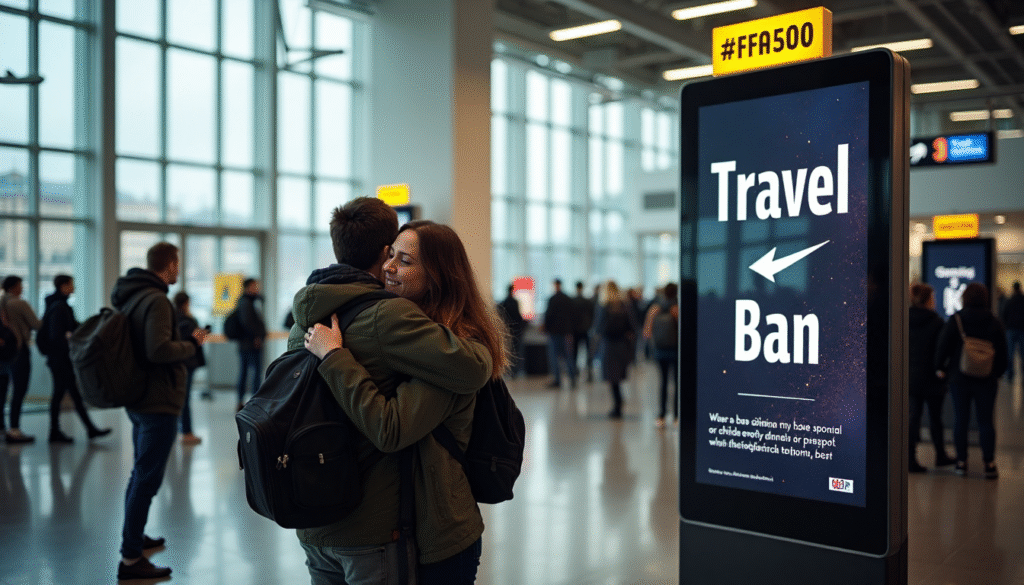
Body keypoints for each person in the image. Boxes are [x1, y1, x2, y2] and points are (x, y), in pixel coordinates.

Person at [287, 199, 495, 585]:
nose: (390, 267)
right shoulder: (394, 322)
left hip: (323, 511)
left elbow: (392, 424)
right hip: (376, 524)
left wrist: (335, 357)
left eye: (405, 260)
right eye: (392, 256)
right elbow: (393, 425)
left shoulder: (306, 318)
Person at [112, 242, 208, 580]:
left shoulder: (133, 296)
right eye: (177, 263)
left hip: (139, 396)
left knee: (140, 473)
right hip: (158, 400)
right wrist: (192, 343)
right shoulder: (156, 300)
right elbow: (158, 350)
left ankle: (134, 537)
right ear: (169, 264)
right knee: (147, 478)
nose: (178, 270)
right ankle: (130, 559)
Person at [934, 282, 1008, 479]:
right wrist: (997, 372)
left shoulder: (957, 319)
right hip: (987, 379)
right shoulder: (994, 321)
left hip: (960, 378)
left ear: (965, 298)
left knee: (961, 420)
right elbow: (1002, 352)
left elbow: (943, 346)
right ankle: (989, 463)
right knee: (986, 421)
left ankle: (961, 462)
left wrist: (940, 368)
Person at [42, 275, 111, 443]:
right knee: (62, 394)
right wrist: (69, 337)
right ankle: (59, 431)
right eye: (71, 284)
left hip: (60, 359)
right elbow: (57, 335)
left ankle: (86, 429)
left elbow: (74, 327)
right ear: (63, 286)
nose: (74, 287)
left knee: (69, 394)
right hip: (60, 360)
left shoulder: (59, 305)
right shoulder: (60, 307)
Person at [907, 283, 954, 472]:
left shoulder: (904, 319)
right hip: (932, 378)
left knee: (913, 419)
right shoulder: (937, 322)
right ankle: (940, 455)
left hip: (911, 377)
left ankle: (910, 459)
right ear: (928, 300)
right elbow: (942, 351)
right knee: (936, 419)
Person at [0, 275, 41, 444]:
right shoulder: (19, 303)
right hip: (18, 350)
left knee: (2, 391)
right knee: (19, 390)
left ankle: (2, 428)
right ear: (14, 287)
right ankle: (14, 429)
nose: (22, 288)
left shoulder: (1, 302)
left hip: (2, 352)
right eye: (20, 285)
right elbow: (37, 325)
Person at [594, 280, 637, 419]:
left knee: (611, 376)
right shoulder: (625, 305)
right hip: (622, 344)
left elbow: (598, 327)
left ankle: (617, 403)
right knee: (617, 375)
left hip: (608, 345)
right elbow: (632, 326)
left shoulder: (604, 306)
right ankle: (618, 401)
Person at [643, 283, 679, 428]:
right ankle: (676, 415)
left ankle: (661, 415)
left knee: (663, 382)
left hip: (660, 350)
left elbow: (646, 332)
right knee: (677, 383)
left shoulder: (655, 308)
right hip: (675, 351)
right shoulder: (677, 308)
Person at [173, 292, 206, 445]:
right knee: (185, 398)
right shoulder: (189, 321)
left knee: (180, 397)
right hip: (188, 362)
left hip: (178, 361)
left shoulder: (172, 319)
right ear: (186, 303)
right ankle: (187, 432)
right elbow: (196, 341)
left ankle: (178, 430)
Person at [235, 277, 266, 410]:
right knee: (250, 373)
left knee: (248, 373)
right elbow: (247, 323)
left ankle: (249, 401)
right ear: (248, 287)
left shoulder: (252, 301)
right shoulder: (246, 303)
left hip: (248, 344)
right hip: (250, 344)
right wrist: (256, 337)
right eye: (254, 286)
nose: (257, 288)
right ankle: (251, 403)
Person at [543, 278, 577, 388]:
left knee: (554, 357)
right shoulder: (568, 299)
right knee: (568, 356)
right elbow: (573, 315)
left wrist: (546, 328)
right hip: (566, 332)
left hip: (555, 332)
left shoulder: (552, 299)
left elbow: (548, 315)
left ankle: (557, 380)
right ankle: (572, 378)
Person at [498, 284, 527, 376]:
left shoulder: (503, 303)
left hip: (507, 331)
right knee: (516, 352)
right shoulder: (514, 302)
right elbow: (519, 317)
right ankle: (516, 371)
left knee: (508, 352)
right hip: (516, 331)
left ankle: (509, 371)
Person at [571, 281, 596, 382]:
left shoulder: (572, 301)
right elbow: (593, 315)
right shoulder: (588, 301)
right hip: (586, 329)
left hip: (575, 330)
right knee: (588, 352)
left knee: (575, 352)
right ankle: (589, 373)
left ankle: (574, 372)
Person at [1002, 280, 1024, 383]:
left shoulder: (1010, 300)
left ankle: (1010, 374)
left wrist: (1006, 325)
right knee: (1022, 353)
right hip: (1022, 329)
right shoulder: (1023, 300)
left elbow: (1004, 314)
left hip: (1011, 329)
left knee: (1010, 353)